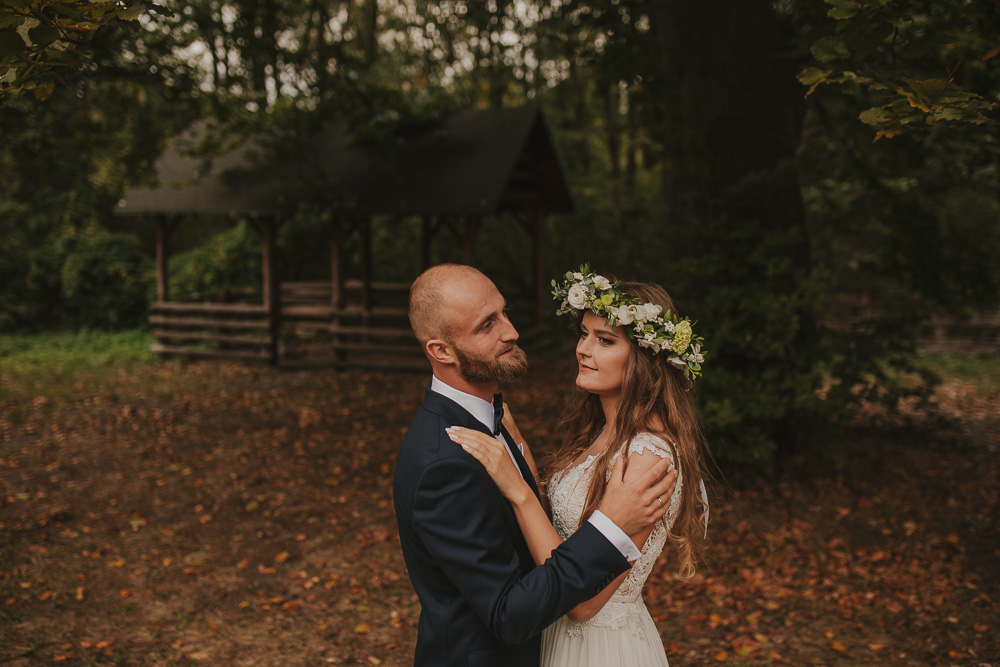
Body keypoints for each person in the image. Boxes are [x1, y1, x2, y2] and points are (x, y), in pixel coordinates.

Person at [393, 264, 679, 667]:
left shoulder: (490, 421)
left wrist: (526, 482)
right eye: (486, 325)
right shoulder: (445, 462)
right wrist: (609, 527)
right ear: (441, 351)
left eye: (504, 313)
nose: (511, 331)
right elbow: (508, 612)